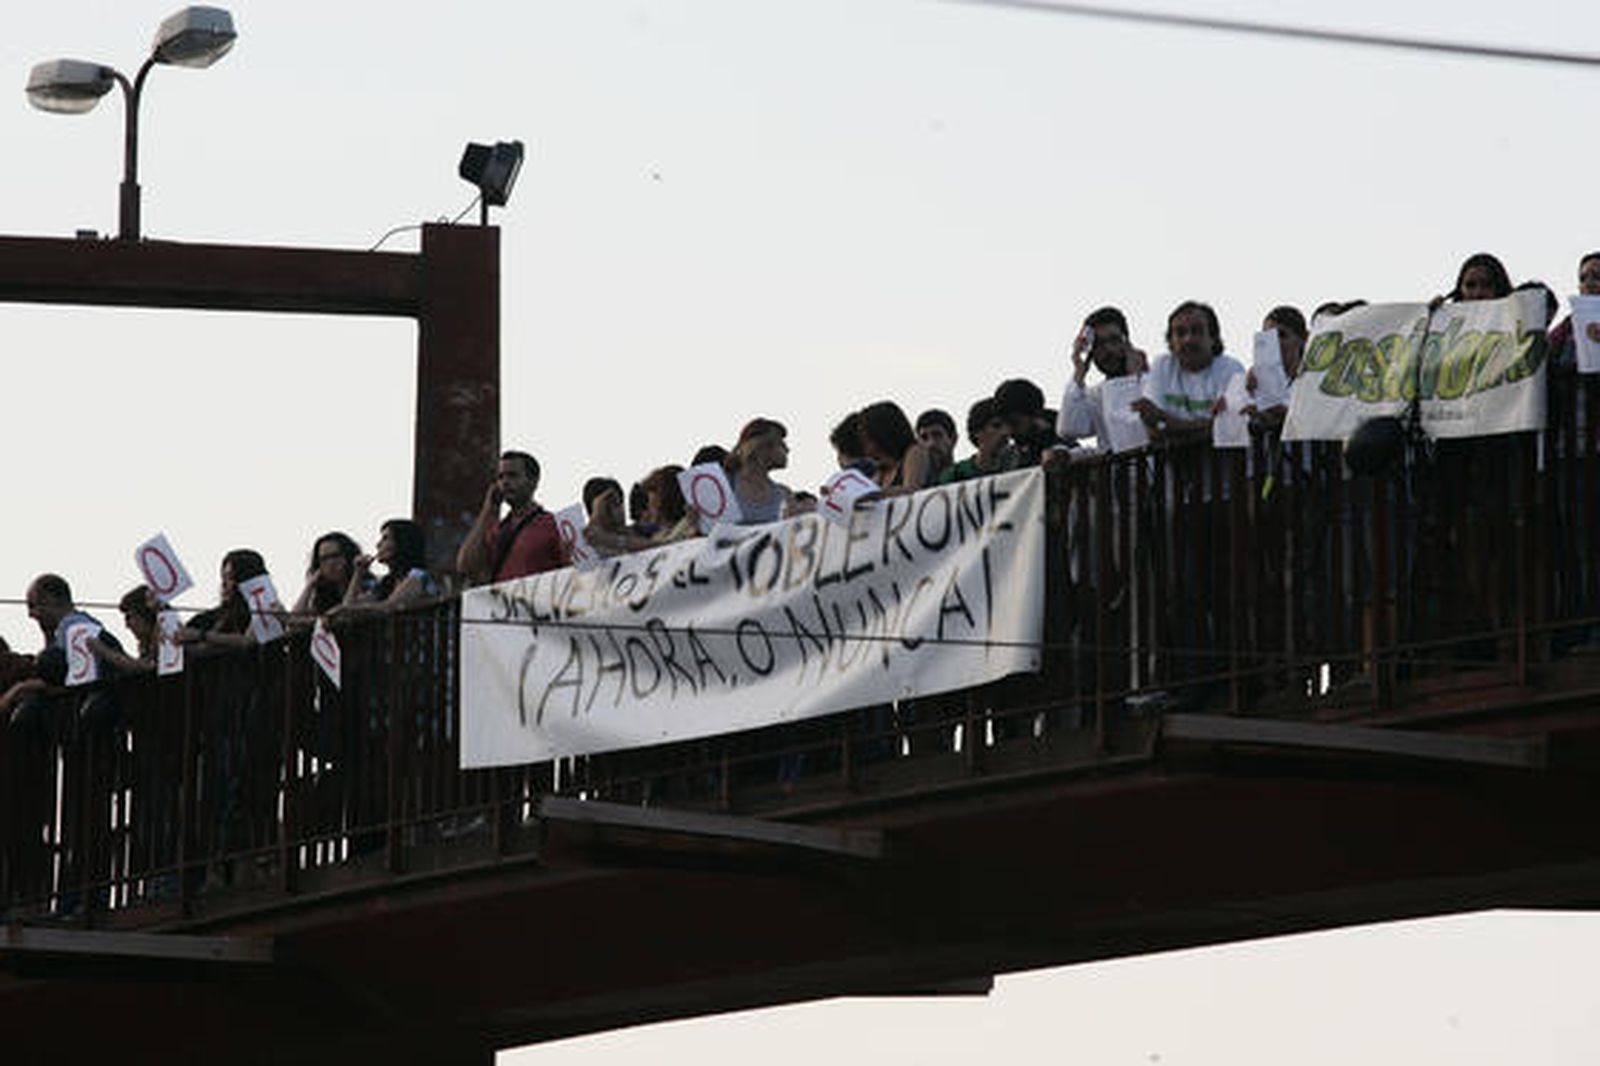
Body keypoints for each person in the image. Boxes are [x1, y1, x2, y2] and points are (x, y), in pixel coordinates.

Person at [1, 574, 124, 723]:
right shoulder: (70, 628)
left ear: (50, 600)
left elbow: (66, 678)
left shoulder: (74, 628)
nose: (31, 615)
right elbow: (51, 670)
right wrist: (47, 635)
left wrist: (19, 688)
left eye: (33, 605)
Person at [1132, 301, 1245, 441]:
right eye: (1180, 333)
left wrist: (1166, 421)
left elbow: (1228, 430)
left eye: (1197, 331)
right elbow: (1153, 430)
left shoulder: (1231, 368)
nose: (1188, 339)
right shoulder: (1162, 365)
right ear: (1171, 342)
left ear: (1213, 338)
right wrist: (1205, 426)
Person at [456, 450, 565, 586]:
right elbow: (466, 566)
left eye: (512, 476)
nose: (505, 482)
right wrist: (488, 509)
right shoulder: (497, 529)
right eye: (500, 477)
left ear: (533, 481)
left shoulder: (555, 524)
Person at [1057, 306, 1149, 450]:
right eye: (1099, 344)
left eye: (1114, 340)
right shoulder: (1096, 395)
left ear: (1127, 342)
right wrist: (1079, 373)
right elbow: (1070, 429)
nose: (1108, 350)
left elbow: (1132, 434)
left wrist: (1132, 379)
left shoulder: (1153, 382)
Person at [177, 550, 270, 651]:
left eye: (230, 578)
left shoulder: (266, 613)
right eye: (223, 577)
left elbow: (246, 641)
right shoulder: (205, 619)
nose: (224, 584)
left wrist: (201, 635)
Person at [340, 519, 440, 612]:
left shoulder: (418, 576)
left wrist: (358, 608)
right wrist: (358, 573)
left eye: (385, 538)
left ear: (402, 543)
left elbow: (389, 606)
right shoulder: (387, 582)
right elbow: (348, 605)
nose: (378, 545)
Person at [1244, 305, 1309, 429]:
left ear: (1303, 338)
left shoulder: (1312, 382)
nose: (1275, 343)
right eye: (1268, 337)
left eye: (1282, 335)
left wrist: (1277, 413)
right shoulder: (1252, 382)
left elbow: (1313, 423)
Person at [858, 401, 938, 493]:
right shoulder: (881, 472)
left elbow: (911, 490)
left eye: (867, 439)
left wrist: (874, 495)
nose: (865, 447)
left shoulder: (915, 452)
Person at [726, 418, 794, 523]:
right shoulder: (725, 486)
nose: (787, 449)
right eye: (781, 444)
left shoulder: (785, 495)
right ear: (761, 447)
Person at [939, 397, 1014, 483]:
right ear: (977, 432)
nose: (1005, 432)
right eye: (996, 426)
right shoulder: (955, 474)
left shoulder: (1018, 468)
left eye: (1009, 426)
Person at [291, 532, 362, 620]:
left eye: (335, 556)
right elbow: (294, 620)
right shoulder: (323, 596)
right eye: (324, 559)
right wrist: (310, 585)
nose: (330, 563)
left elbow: (347, 611)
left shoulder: (368, 585)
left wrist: (358, 572)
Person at [914, 409, 958, 482]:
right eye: (924, 438)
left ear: (953, 439)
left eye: (937, 435)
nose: (931, 444)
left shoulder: (969, 479)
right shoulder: (915, 487)